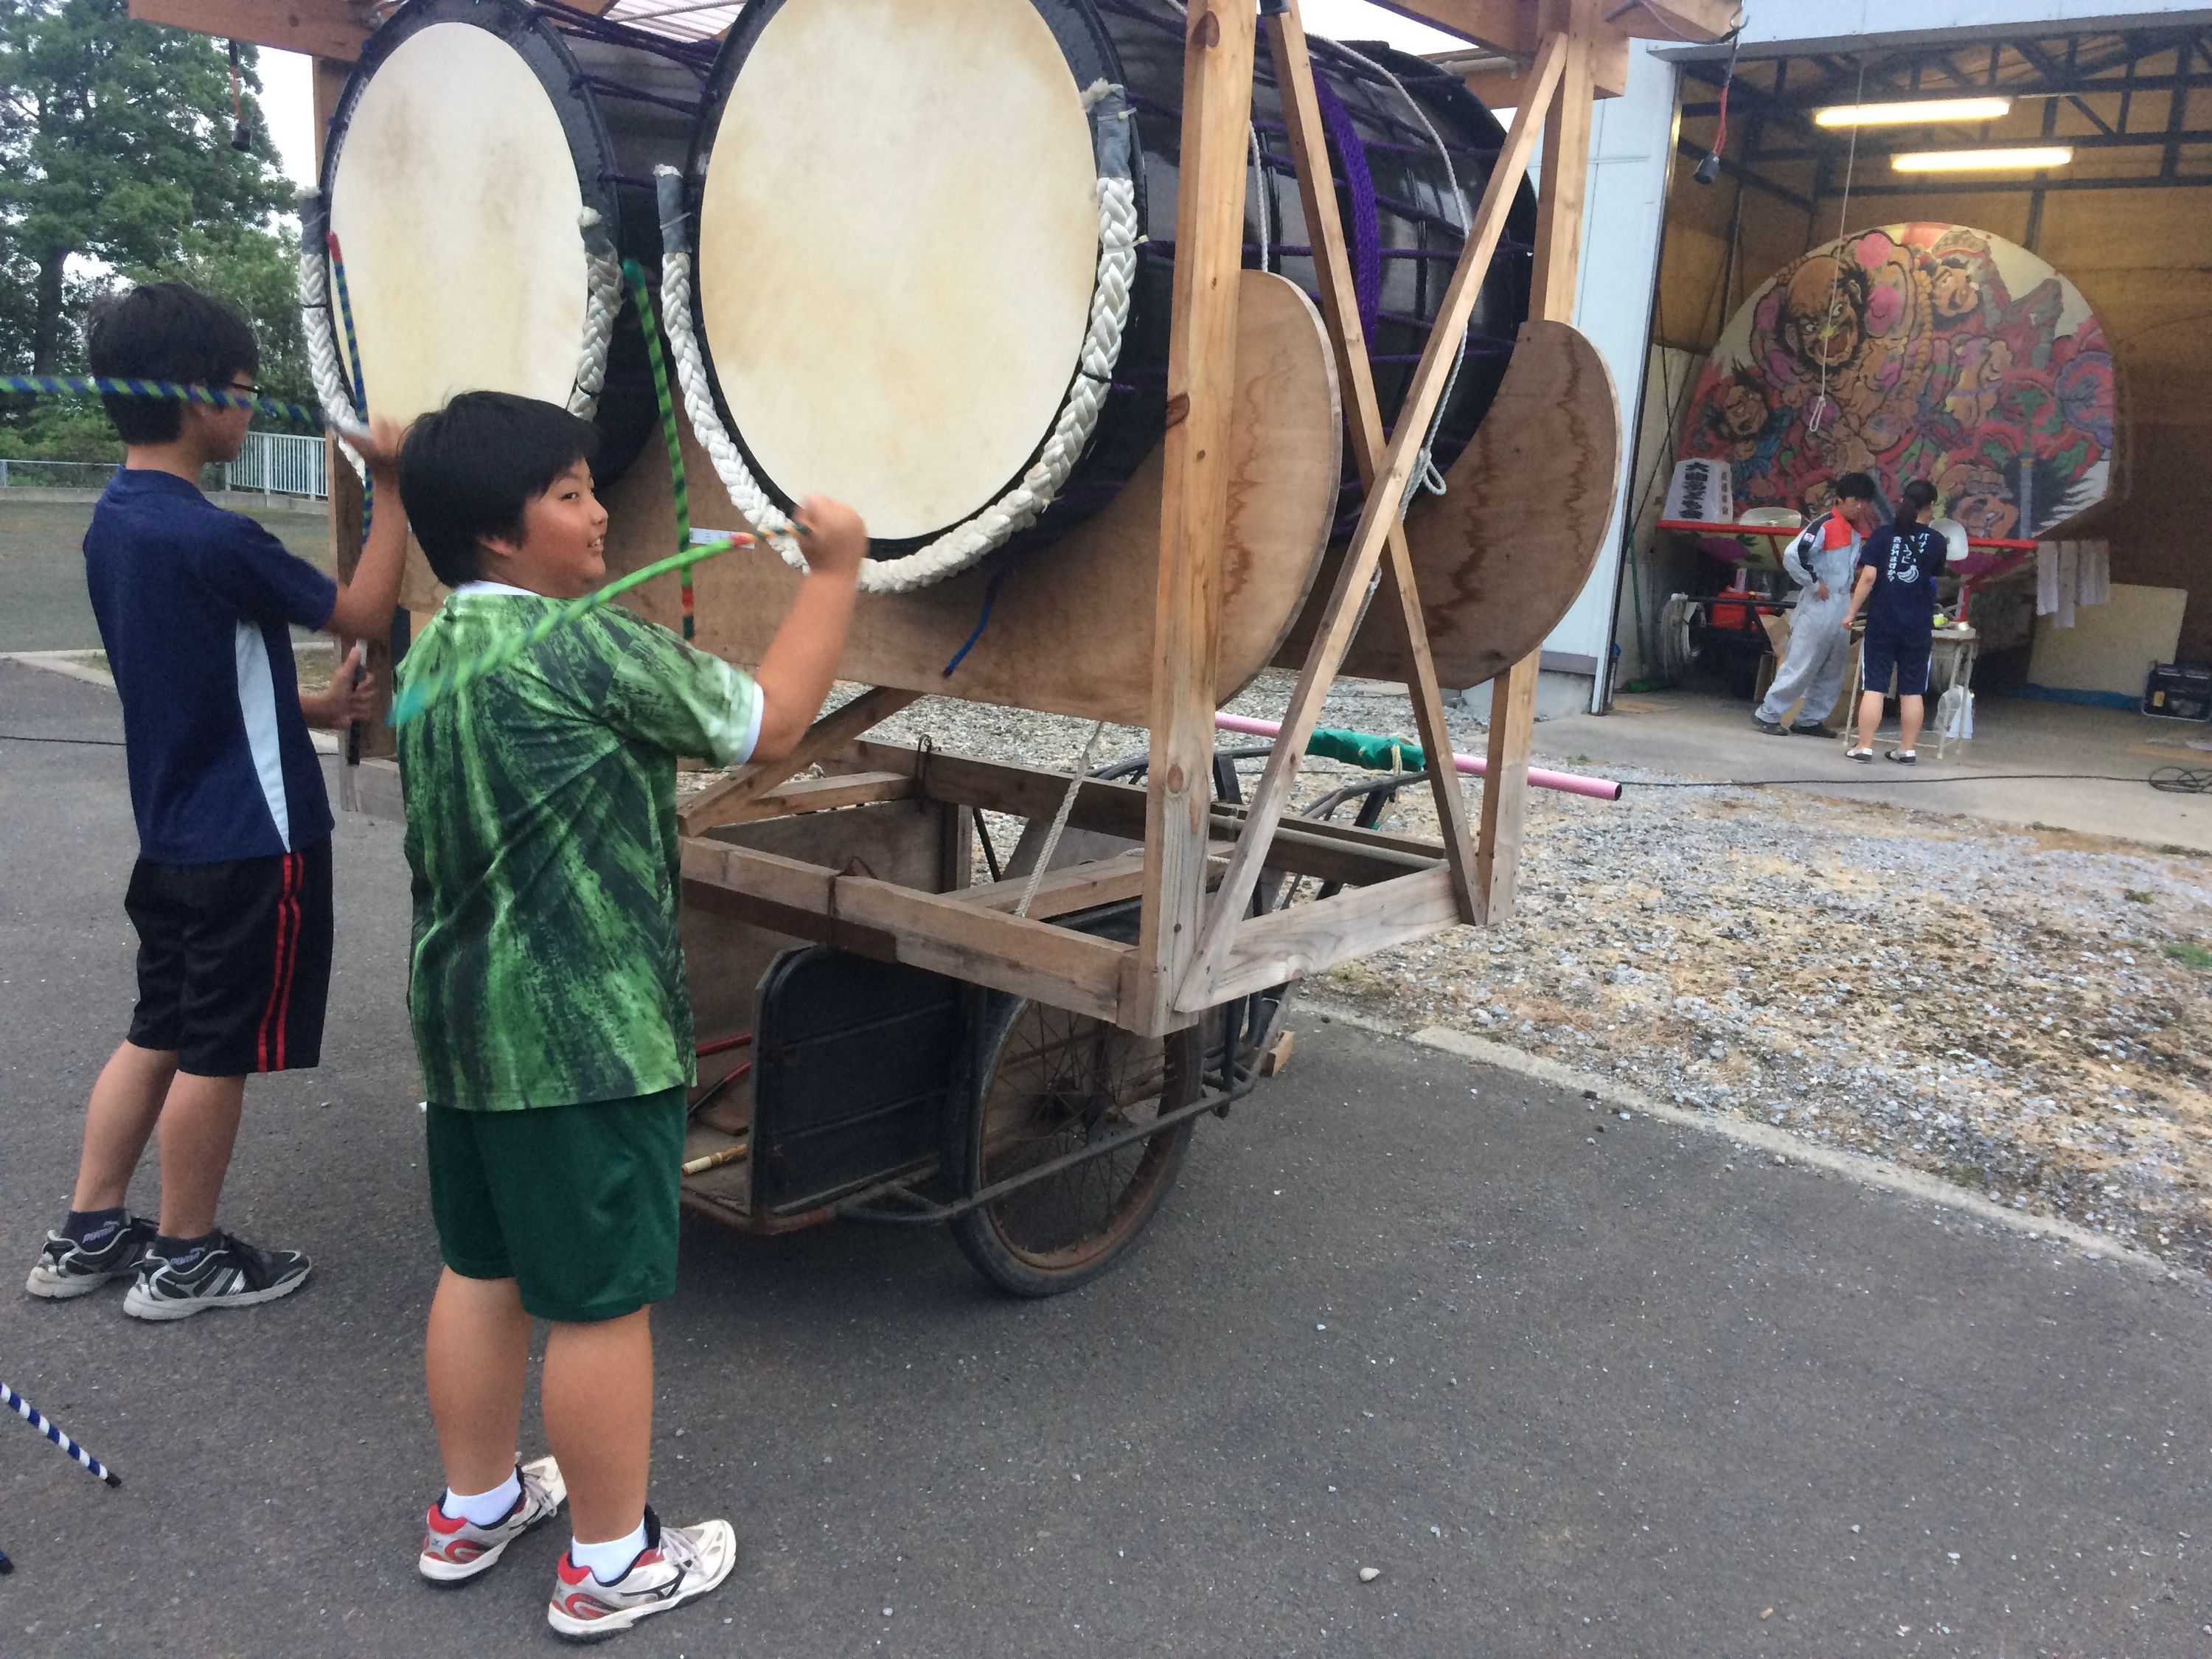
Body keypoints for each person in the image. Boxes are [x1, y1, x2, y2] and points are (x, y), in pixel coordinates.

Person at [392, 392, 866, 1638]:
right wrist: (837, 573)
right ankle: (609, 1564)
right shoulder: (579, 646)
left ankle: (475, 1504)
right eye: (568, 495)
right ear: (500, 535)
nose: (602, 514)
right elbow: (770, 725)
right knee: (600, 1302)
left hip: (463, 1029)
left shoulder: (436, 646)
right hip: (584, 1042)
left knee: (482, 1268)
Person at [25, 282, 403, 1319]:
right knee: (217, 1049)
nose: (250, 408)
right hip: (256, 843)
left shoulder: (116, 525)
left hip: (179, 838)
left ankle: (88, 1227)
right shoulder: (215, 536)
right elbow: (366, 606)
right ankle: (187, 1254)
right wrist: (395, 485)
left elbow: (200, 674)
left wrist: (315, 704)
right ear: (199, 401)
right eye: (245, 391)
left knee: (158, 1025)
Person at [1751, 471, 1877, 737]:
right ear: (1841, 499)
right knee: (1802, 661)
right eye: (1856, 500)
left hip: (1840, 603)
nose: (1860, 506)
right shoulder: (1825, 525)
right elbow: (1793, 555)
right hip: (1820, 603)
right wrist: (1813, 583)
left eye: (1864, 501)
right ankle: (1768, 713)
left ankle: (1810, 719)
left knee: (1833, 666)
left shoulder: (1852, 532)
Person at [1845, 476, 1947, 763]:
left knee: (1875, 685)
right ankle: (1907, 750)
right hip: (1917, 624)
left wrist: (1851, 613)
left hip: (1883, 620)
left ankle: (1864, 747)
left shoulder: (1882, 535)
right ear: (1931, 507)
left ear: (1903, 501)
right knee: (1913, 688)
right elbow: (1934, 575)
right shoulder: (1937, 541)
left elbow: (1868, 577)